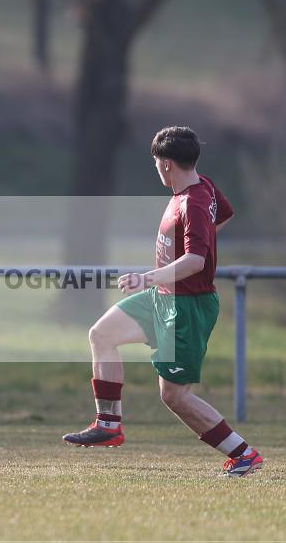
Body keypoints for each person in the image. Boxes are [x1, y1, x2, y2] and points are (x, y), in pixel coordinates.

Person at [62, 126, 263, 478]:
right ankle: (108, 424)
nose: (155, 167)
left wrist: (147, 277)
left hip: (188, 307)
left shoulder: (194, 202)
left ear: (167, 163)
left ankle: (243, 454)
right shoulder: (203, 186)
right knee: (102, 334)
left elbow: (196, 261)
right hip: (164, 297)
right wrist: (181, 257)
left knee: (174, 396)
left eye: (156, 161)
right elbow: (224, 215)